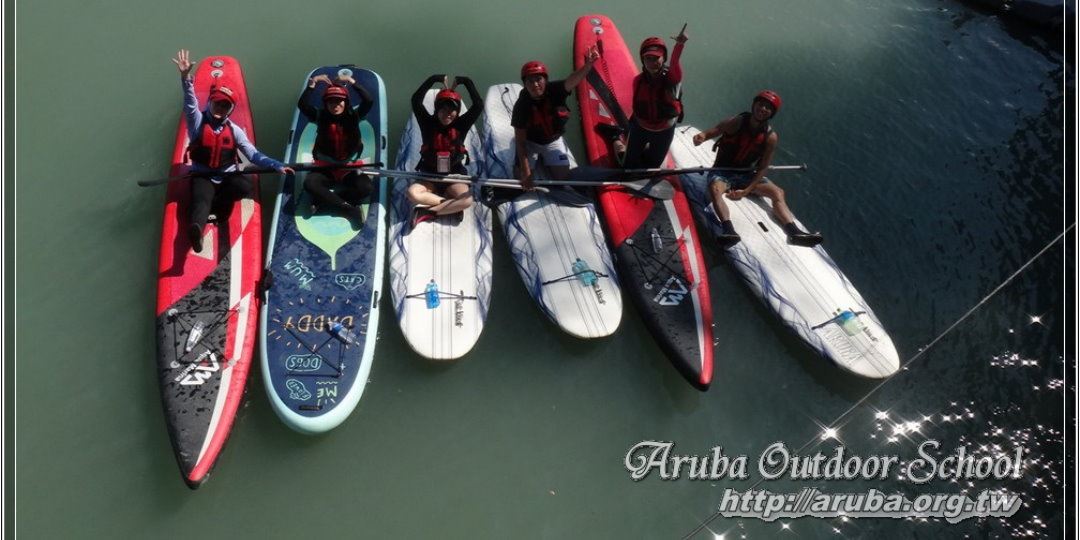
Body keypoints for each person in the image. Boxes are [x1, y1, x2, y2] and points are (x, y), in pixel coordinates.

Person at [172, 49, 293, 251]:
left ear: (230, 110)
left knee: (244, 187)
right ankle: (197, 232)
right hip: (203, 175)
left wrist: (276, 165)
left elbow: (253, 155)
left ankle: (218, 204)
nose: (220, 108)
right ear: (210, 103)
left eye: (225, 106)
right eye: (217, 104)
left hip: (227, 175)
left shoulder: (235, 131)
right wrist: (185, 78)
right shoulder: (197, 123)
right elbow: (190, 104)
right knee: (201, 200)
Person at [692, 90, 823, 248]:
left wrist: (746, 191)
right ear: (754, 105)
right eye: (761, 105)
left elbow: (762, 168)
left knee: (778, 192)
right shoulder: (737, 122)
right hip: (722, 171)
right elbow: (714, 130)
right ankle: (728, 230)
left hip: (746, 174)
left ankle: (794, 232)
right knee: (715, 189)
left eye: (768, 108)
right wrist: (702, 136)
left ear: (772, 113)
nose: (763, 109)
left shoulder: (771, 137)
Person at [511, 45, 599, 190]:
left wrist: (588, 65)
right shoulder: (521, 106)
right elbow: (520, 142)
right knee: (519, 178)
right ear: (525, 84)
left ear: (545, 80)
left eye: (538, 79)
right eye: (530, 81)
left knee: (563, 179)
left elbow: (573, 80)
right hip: (530, 142)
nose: (535, 84)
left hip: (553, 140)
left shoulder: (556, 90)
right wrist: (526, 172)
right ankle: (528, 166)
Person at [297, 73, 375, 223]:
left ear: (346, 102)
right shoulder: (319, 115)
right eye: (331, 101)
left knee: (367, 188)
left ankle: (324, 200)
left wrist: (351, 81)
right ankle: (348, 208)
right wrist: (312, 85)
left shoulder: (355, 115)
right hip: (325, 167)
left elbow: (368, 100)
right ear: (325, 103)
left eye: (339, 101)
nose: (335, 105)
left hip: (349, 166)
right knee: (310, 184)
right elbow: (302, 105)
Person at [406, 74, 483, 223]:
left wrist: (465, 81)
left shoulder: (462, 124)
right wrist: (433, 79)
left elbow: (478, 105)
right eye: (443, 109)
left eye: (452, 110)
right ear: (437, 110)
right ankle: (451, 206)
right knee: (412, 194)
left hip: (453, 176)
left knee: (467, 200)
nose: (447, 114)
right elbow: (416, 100)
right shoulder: (427, 122)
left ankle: (427, 211)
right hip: (429, 175)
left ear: (457, 112)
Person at [621, 28, 688, 169]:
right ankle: (616, 137)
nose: (652, 62)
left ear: (664, 58)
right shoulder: (638, 81)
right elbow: (638, 105)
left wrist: (679, 45)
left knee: (653, 165)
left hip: (663, 132)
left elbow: (675, 63)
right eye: (648, 58)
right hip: (640, 128)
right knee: (628, 164)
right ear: (643, 59)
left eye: (656, 58)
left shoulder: (672, 78)